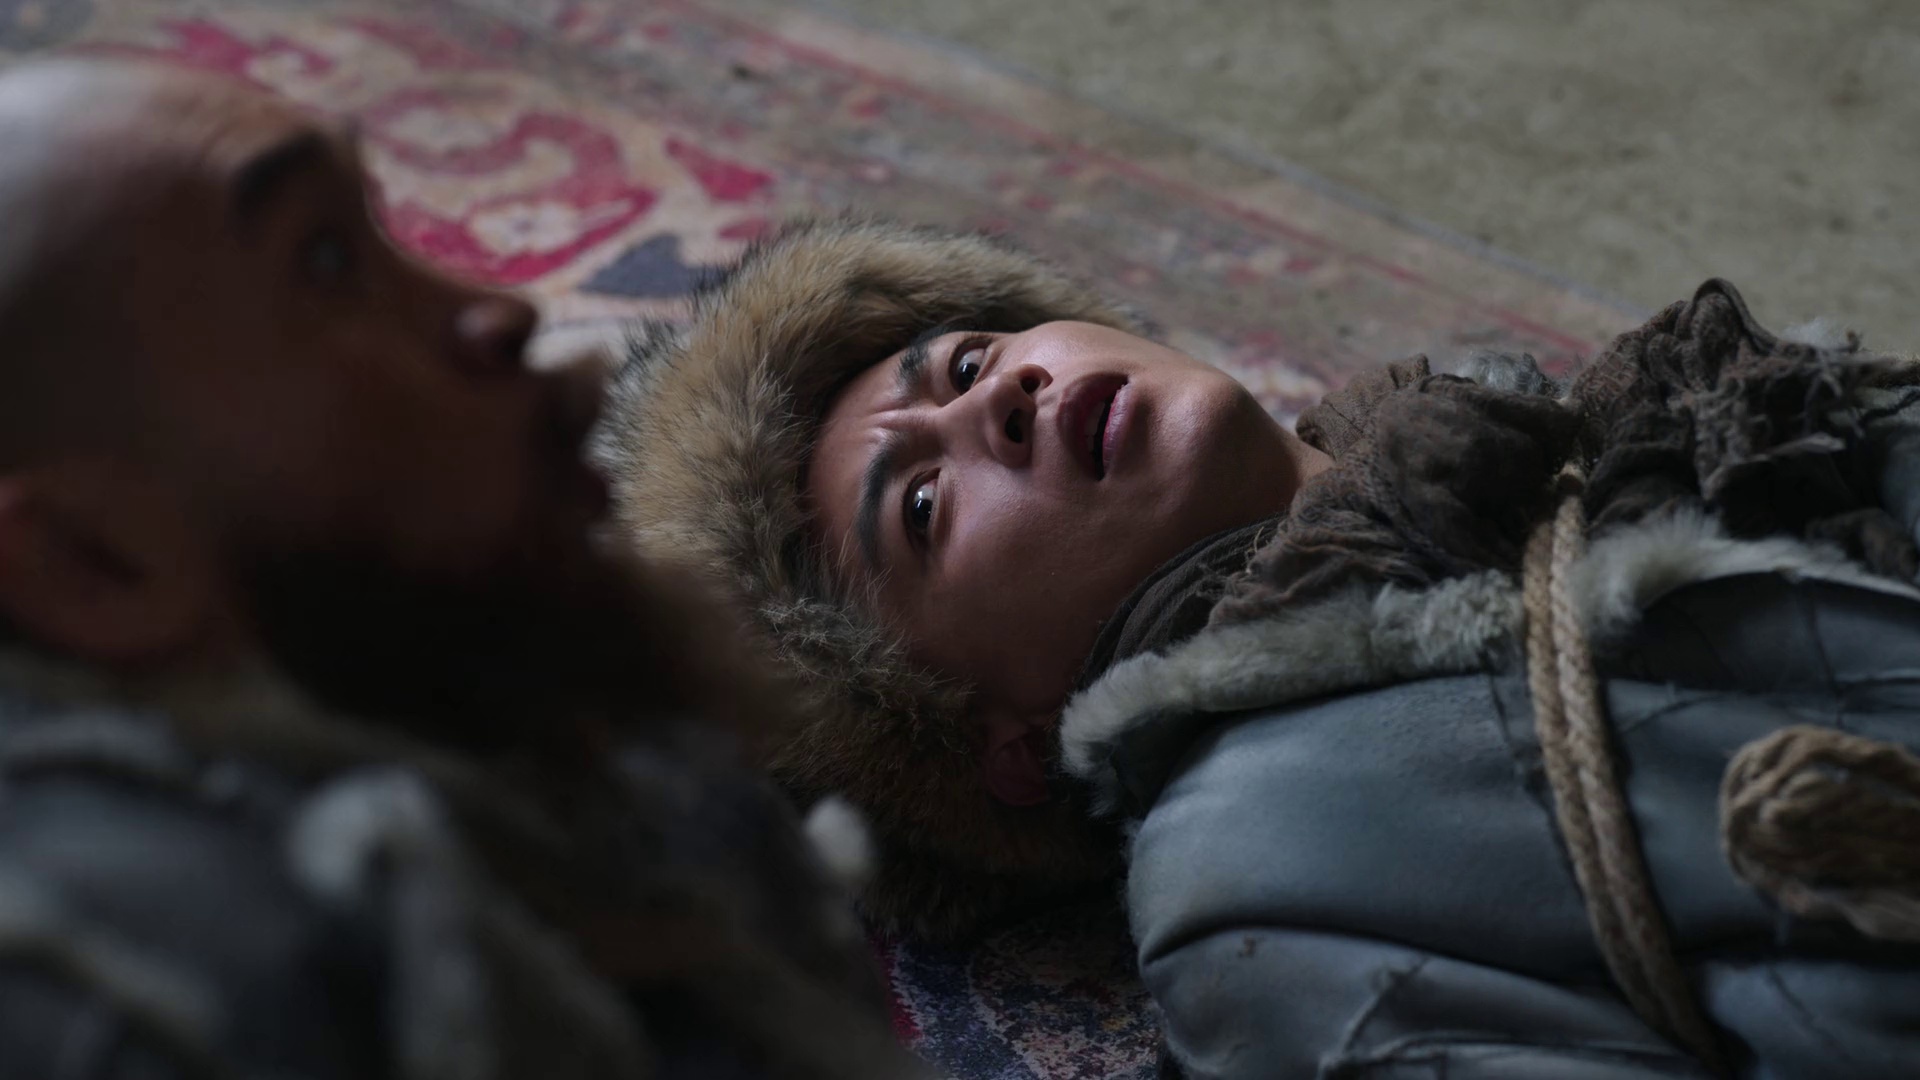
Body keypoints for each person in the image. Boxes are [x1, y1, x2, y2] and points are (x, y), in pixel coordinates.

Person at [604, 215, 1920, 1077]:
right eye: (924, 507)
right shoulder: (1251, 867)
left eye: (961, 363)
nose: (1001, 398)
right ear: (993, 742)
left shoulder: (1609, 427)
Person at [0, 59, 923, 1079]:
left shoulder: (602, 743)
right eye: (324, 262)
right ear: (92, 561)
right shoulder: (169, 1001)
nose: (500, 309)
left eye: (376, 232)